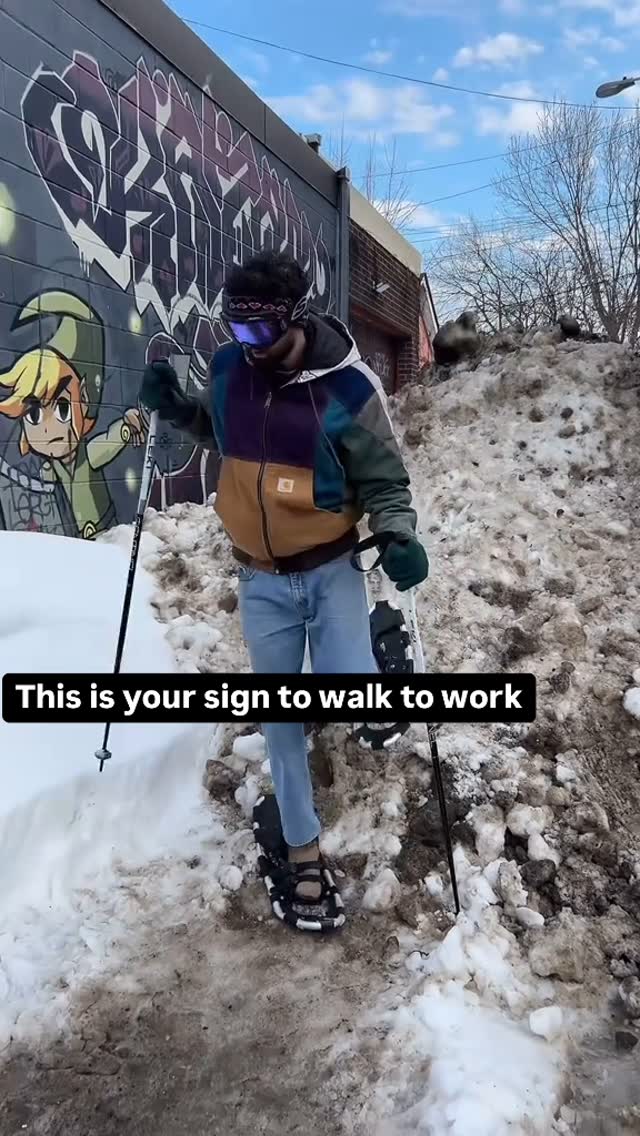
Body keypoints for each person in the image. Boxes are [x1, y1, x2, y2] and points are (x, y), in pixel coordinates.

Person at [140, 250, 428, 921]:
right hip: (260, 578)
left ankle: (381, 643)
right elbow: (221, 429)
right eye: (235, 329)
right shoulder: (229, 368)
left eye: (260, 331)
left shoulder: (349, 387)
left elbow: (386, 481)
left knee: (348, 693)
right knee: (281, 718)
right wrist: (180, 408)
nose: (248, 344)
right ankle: (303, 851)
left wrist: (398, 534)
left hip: (331, 569)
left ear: (293, 319)